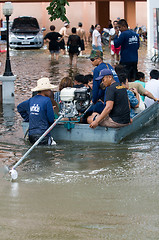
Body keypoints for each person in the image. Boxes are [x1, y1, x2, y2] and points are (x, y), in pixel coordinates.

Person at [17, 78, 56, 145]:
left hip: (31, 135)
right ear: (45, 90)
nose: (50, 91)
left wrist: (29, 118)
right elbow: (51, 120)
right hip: (43, 134)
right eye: (49, 89)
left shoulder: (31, 100)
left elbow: (20, 107)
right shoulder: (47, 100)